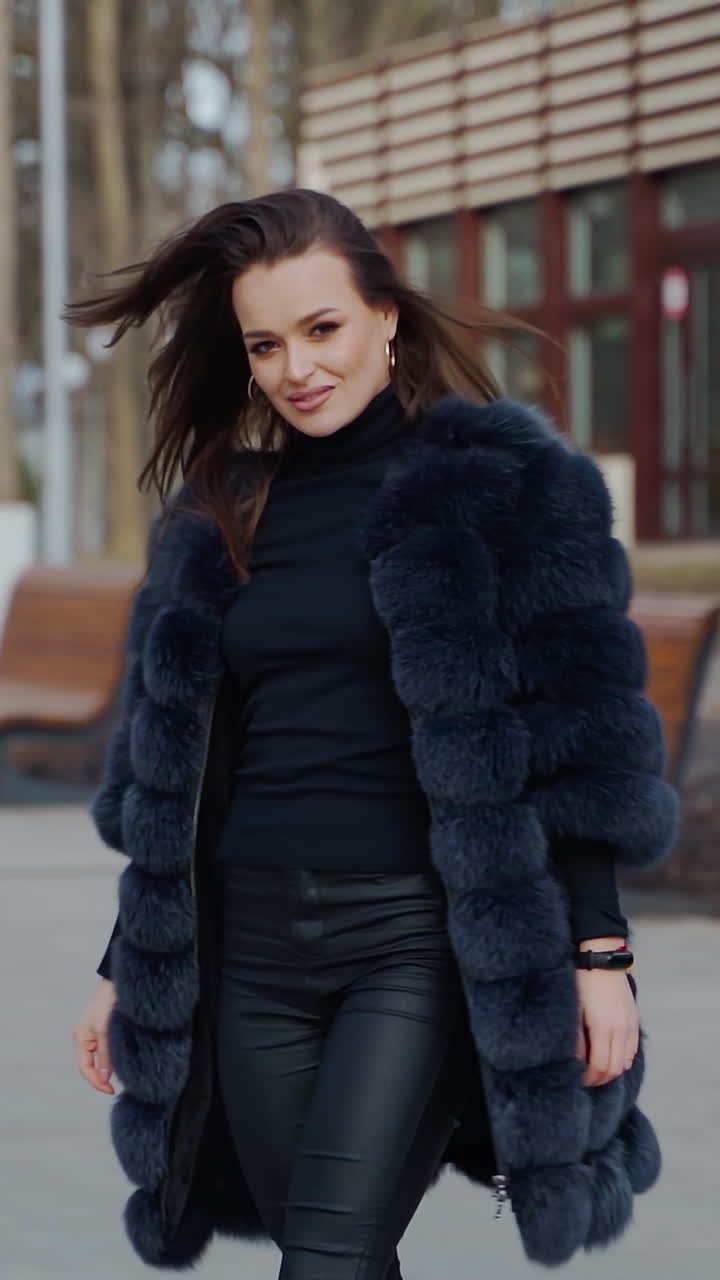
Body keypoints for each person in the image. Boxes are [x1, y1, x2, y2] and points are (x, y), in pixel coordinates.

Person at [69, 188, 677, 1276]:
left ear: (385, 317)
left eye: (323, 328)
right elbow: (177, 777)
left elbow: (580, 740)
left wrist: (601, 951)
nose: (297, 368)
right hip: (251, 947)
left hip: (413, 941)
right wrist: (128, 963)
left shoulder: (503, 485)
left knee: (326, 1256)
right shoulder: (219, 515)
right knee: (337, 1253)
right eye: (266, 345)